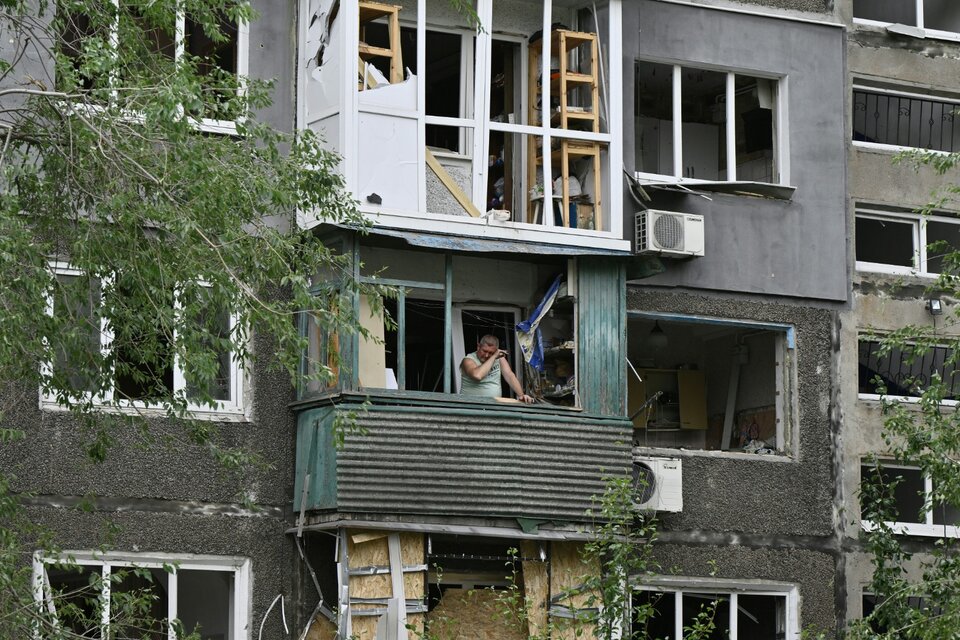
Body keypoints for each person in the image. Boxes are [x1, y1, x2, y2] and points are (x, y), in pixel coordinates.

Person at [460, 334, 534, 403]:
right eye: (484, 351)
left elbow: (509, 375)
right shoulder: (468, 360)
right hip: (471, 405)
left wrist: (521, 395)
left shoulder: (499, 359)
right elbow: (477, 376)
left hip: (494, 405)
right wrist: (494, 356)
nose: (486, 355)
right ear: (478, 346)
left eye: (491, 353)